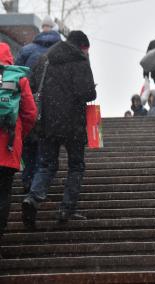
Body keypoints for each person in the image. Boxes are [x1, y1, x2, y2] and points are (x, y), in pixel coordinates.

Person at [22, 31, 97, 229]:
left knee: (46, 165)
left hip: (47, 123)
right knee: (75, 166)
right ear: (82, 46)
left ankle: (33, 198)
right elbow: (88, 92)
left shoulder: (44, 60)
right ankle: (66, 208)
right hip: (73, 124)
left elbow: (31, 87)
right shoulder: (80, 62)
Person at [15, 15, 61, 194]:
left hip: (28, 103)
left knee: (29, 146)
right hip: (53, 108)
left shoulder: (27, 50)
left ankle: (27, 181)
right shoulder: (62, 52)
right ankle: (38, 185)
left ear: (42, 28)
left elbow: (18, 75)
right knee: (45, 148)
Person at [0, 43, 37, 253]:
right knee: (3, 193)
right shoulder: (18, 78)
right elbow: (30, 113)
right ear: (9, 58)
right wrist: (20, 135)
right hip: (8, 146)